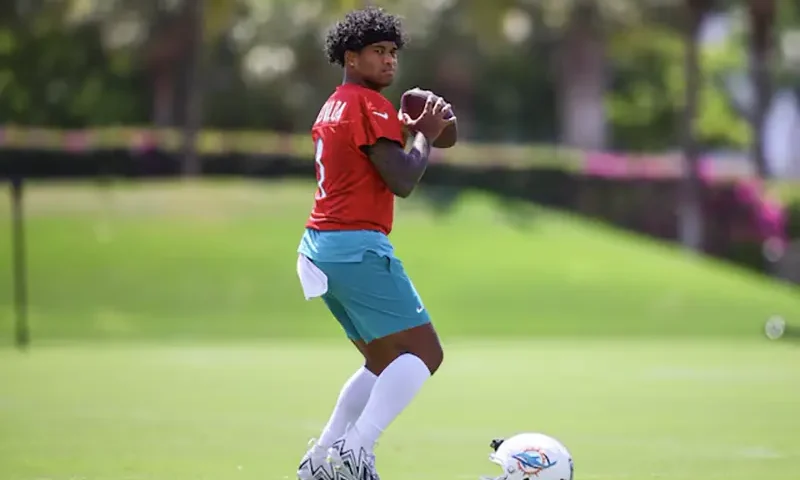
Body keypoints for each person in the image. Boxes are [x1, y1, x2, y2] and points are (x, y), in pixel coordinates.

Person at [294, 6, 457, 480]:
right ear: (351, 57)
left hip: (321, 247)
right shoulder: (368, 105)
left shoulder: (338, 102)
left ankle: (322, 457)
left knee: (382, 361)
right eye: (378, 52)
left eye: (392, 53)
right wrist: (423, 134)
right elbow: (404, 179)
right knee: (425, 355)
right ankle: (355, 449)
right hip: (355, 246)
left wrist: (430, 125)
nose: (389, 61)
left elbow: (443, 139)